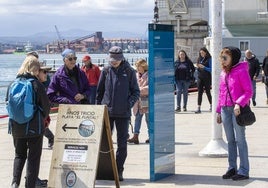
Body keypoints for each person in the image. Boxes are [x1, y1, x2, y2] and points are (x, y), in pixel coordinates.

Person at [96, 46, 140, 181]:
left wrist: (128, 104)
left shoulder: (129, 71)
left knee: (122, 144)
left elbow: (135, 92)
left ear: (121, 58)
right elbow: (100, 92)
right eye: (112, 60)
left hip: (123, 113)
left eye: (116, 60)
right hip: (107, 112)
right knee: (103, 142)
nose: (113, 62)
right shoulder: (106, 70)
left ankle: (119, 169)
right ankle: (103, 169)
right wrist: (98, 109)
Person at [6, 56, 50, 188]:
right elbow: (46, 107)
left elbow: (8, 104)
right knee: (33, 158)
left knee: (19, 155)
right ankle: (29, 185)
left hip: (16, 127)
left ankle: (15, 183)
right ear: (36, 69)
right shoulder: (36, 84)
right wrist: (42, 117)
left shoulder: (12, 84)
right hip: (34, 128)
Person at [216, 46, 252, 181]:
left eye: (225, 58)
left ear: (233, 58)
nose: (223, 60)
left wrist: (239, 103)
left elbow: (248, 91)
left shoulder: (241, 70)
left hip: (237, 109)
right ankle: (232, 168)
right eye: (222, 58)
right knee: (230, 140)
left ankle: (244, 170)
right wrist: (218, 111)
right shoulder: (223, 72)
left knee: (240, 140)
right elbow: (221, 93)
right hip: (225, 109)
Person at [127, 59, 149, 144]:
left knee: (148, 119)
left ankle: (151, 136)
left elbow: (149, 87)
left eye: (138, 66)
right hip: (137, 101)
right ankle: (135, 136)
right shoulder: (136, 75)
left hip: (146, 99)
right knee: (137, 118)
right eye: (136, 67)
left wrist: (138, 90)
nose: (137, 68)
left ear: (143, 66)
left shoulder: (149, 75)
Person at [38, 62, 54, 149]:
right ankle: (51, 138)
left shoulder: (43, 82)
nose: (46, 74)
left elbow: (49, 87)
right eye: (44, 72)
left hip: (44, 105)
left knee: (43, 125)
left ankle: (51, 137)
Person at [195, 47, 212, 113]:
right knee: (199, 92)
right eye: (200, 53)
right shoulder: (199, 59)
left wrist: (204, 67)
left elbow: (211, 69)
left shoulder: (209, 59)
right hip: (200, 77)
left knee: (208, 91)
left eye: (203, 53)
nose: (202, 54)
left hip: (207, 77)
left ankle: (211, 105)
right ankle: (198, 107)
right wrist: (198, 67)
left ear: (206, 52)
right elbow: (197, 69)